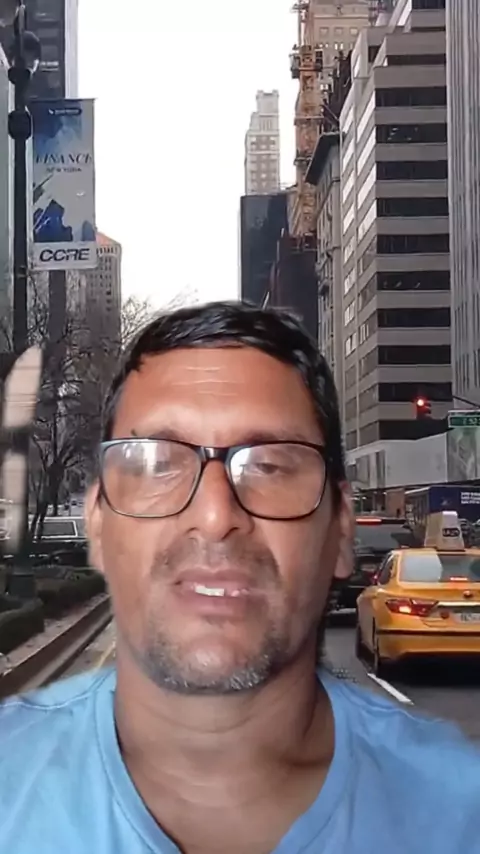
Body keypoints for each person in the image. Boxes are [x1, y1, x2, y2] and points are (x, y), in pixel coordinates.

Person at [1, 301, 479, 854]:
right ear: (99, 527)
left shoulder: (459, 813)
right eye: (158, 463)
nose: (214, 515)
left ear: (341, 529)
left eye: (269, 466)